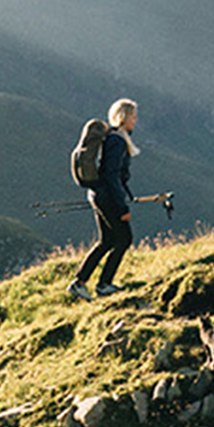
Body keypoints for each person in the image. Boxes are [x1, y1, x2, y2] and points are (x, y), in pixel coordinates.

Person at [69, 98, 139, 299]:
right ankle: (104, 284)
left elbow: (112, 175)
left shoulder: (114, 138)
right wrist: (122, 207)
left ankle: (80, 282)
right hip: (108, 198)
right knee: (124, 239)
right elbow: (112, 174)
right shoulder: (117, 141)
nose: (135, 120)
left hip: (99, 194)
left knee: (107, 240)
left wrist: (125, 196)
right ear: (124, 117)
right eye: (133, 116)